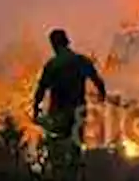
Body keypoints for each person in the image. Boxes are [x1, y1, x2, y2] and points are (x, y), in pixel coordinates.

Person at [32, 29, 107, 173]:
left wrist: (36, 108)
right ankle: (75, 176)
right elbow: (98, 81)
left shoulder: (52, 65)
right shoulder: (81, 61)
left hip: (58, 112)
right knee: (76, 145)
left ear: (54, 45)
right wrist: (102, 96)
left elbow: (41, 90)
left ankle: (57, 174)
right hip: (78, 110)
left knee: (56, 144)